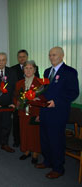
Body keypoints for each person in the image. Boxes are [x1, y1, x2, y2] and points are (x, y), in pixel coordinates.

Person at [36, 47, 79, 179]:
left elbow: (73, 92)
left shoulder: (70, 72)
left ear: (61, 56)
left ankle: (58, 168)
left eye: (54, 55)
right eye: (50, 55)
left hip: (58, 112)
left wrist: (56, 101)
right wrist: (38, 96)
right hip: (45, 111)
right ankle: (48, 161)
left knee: (56, 140)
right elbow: (45, 90)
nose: (51, 57)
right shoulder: (47, 71)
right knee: (44, 139)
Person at [13, 60, 41, 164]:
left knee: (34, 134)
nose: (28, 70)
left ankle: (35, 152)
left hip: (35, 112)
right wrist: (18, 103)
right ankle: (27, 151)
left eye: (30, 68)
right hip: (23, 112)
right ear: (23, 70)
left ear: (35, 70)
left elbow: (43, 99)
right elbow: (15, 97)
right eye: (26, 68)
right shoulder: (19, 83)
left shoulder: (39, 83)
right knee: (24, 132)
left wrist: (39, 113)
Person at [10, 50, 40, 147]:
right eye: (20, 56)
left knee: (33, 130)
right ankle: (19, 142)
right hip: (20, 107)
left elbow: (39, 90)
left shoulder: (37, 76)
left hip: (33, 108)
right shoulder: (13, 69)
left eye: (24, 56)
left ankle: (34, 151)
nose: (22, 58)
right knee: (19, 126)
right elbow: (14, 91)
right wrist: (17, 103)